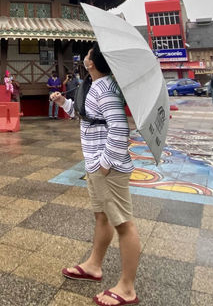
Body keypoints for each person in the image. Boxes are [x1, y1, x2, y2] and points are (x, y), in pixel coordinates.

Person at [50, 43, 140, 306]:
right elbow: (89, 117)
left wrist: (105, 164)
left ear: (91, 63)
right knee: (101, 217)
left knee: (123, 224)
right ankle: (93, 265)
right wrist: (63, 102)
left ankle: (127, 288)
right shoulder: (96, 85)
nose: (85, 56)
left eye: (88, 54)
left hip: (107, 167)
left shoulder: (106, 89)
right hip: (96, 164)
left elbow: (119, 128)